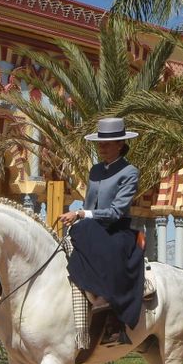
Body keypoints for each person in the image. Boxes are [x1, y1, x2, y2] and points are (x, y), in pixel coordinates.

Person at [60, 118, 144, 348]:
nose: (102, 148)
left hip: (117, 230)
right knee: (74, 235)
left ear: (120, 144)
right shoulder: (95, 170)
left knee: (86, 229)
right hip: (90, 228)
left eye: (106, 144)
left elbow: (116, 212)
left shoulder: (129, 172)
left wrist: (81, 214)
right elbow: (90, 203)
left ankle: (110, 311)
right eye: (99, 144)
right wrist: (79, 217)